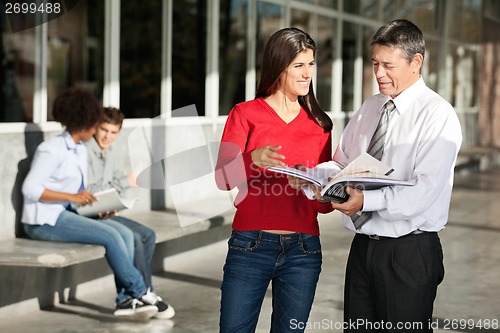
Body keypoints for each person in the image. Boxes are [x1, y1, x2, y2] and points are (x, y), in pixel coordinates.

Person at [290, 19, 463, 332]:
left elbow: (423, 192)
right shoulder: (371, 107)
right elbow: (342, 163)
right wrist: (315, 179)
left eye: (388, 65)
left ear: (416, 62)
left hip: (408, 252)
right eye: (374, 64)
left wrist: (363, 201)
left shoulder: (438, 115)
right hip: (363, 248)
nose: (379, 74)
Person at [215, 27, 334, 333]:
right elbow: (223, 179)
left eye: (310, 64)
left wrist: (319, 191)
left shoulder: (320, 125)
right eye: (299, 65)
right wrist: (252, 159)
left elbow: (324, 206)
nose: (307, 73)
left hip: (304, 251)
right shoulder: (244, 114)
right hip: (249, 245)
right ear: (279, 66)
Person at [21, 87, 159, 320]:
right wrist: (72, 197)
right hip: (43, 221)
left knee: (124, 234)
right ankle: (141, 292)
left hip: (66, 214)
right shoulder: (51, 150)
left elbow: (82, 190)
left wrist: (98, 202)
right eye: (96, 124)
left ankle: (127, 301)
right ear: (85, 123)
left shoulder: (75, 150)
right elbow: (30, 189)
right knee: (112, 236)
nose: (98, 130)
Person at [84, 106, 175, 319]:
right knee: (132, 237)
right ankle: (140, 294)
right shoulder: (86, 152)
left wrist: (118, 197)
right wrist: (126, 181)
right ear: (96, 127)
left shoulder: (111, 152)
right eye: (104, 130)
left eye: (113, 132)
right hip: (87, 213)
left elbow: (117, 184)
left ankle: (132, 297)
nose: (108, 136)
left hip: (106, 211)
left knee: (148, 235)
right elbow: (89, 190)